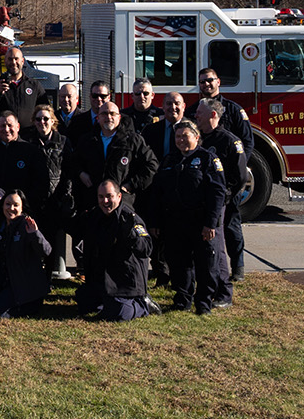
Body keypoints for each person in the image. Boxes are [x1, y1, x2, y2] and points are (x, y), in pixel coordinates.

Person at [142, 121, 228, 314]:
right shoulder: (169, 160)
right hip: (175, 223)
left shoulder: (208, 159)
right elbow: (157, 193)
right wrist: (155, 221)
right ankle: (182, 299)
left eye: (185, 136)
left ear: (196, 137)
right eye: (177, 137)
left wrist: (211, 223)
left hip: (201, 223)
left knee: (206, 266)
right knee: (178, 264)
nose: (180, 140)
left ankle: (204, 303)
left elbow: (217, 194)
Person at [71, 179, 155, 321]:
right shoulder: (95, 216)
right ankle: (108, 302)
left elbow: (146, 248)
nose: (105, 201)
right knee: (84, 302)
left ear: (119, 196)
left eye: (109, 196)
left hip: (125, 282)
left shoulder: (130, 219)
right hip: (105, 279)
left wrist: (131, 236)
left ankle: (143, 305)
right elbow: (77, 231)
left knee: (120, 313)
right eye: (101, 197)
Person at [0, 190, 53, 318]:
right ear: (2, 205)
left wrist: (35, 234)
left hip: (23, 281)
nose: (11, 208)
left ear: (22, 207)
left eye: (16, 205)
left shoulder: (28, 225)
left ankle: (29, 305)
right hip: (5, 277)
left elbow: (46, 251)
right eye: (7, 204)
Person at [65, 102, 157, 214]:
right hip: (92, 204)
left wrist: (131, 185)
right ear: (98, 118)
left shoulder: (133, 141)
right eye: (104, 114)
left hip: (123, 205)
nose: (108, 117)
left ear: (119, 117)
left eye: (112, 114)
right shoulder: (87, 140)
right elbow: (73, 162)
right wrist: (81, 173)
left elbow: (152, 165)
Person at [195, 97, 250, 285]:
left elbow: (241, 176)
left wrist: (226, 195)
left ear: (212, 115)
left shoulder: (229, 141)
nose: (195, 116)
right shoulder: (198, 139)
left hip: (223, 201)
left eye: (199, 113)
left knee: (225, 237)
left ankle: (232, 274)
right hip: (202, 200)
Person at [29, 103, 74, 280]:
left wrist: (65, 196)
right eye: (38, 119)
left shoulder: (63, 142)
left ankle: (47, 278)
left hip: (55, 199)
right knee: (33, 239)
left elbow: (69, 171)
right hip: (34, 199)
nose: (42, 122)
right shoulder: (28, 141)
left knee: (51, 242)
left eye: (46, 119)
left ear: (53, 120)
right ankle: (33, 277)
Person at [0, 112, 49, 206]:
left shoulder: (31, 151)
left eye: (10, 125)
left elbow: (40, 182)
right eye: (3, 126)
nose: (6, 129)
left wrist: (27, 203)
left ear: (18, 127)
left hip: (22, 208)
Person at [0, 45, 42, 128]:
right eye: (10, 59)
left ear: (22, 61)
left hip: (28, 135)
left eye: (16, 59)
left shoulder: (34, 85)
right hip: (4, 134)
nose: (13, 62)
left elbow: (44, 108)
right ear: (5, 61)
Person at [191, 67, 253, 145]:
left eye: (210, 80)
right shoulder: (192, 110)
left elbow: (247, 141)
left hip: (227, 155)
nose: (206, 84)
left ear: (218, 82)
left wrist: (240, 157)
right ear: (199, 85)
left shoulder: (233, 109)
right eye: (202, 82)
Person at [66, 81, 135, 139]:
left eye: (103, 96)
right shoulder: (77, 121)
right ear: (90, 96)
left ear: (109, 97)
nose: (98, 99)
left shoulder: (125, 121)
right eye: (95, 96)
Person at [143, 92, 189, 161]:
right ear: (163, 107)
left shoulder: (192, 130)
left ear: (183, 107)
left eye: (177, 103)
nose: (173, 107)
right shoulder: (150, 130)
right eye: (169, 104)